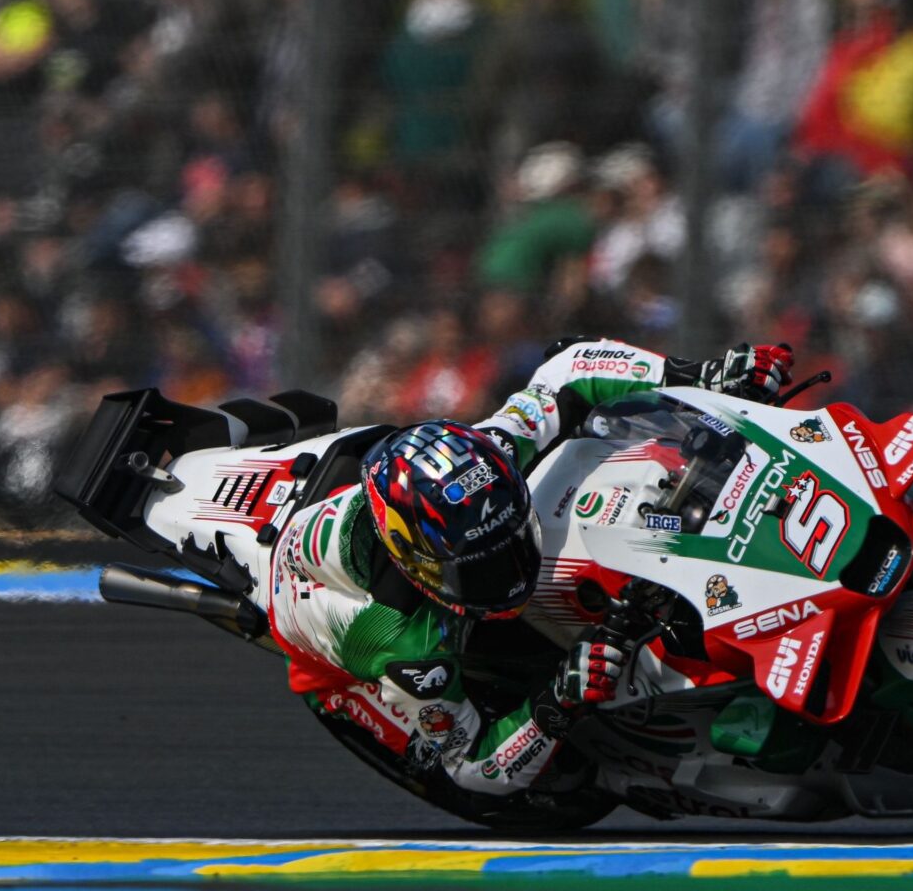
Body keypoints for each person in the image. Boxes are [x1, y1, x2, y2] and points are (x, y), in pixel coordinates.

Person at [267, 338, 793, 809]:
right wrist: (559, 696)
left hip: (366, 510)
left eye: (511, 544)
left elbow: (570, 365)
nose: (509, 574)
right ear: (419, 562)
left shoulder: (488, 455)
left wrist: (698, 375)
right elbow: (474, 768)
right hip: (334, 651)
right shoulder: (398, 641)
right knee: (482, 766)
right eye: (481, 570)